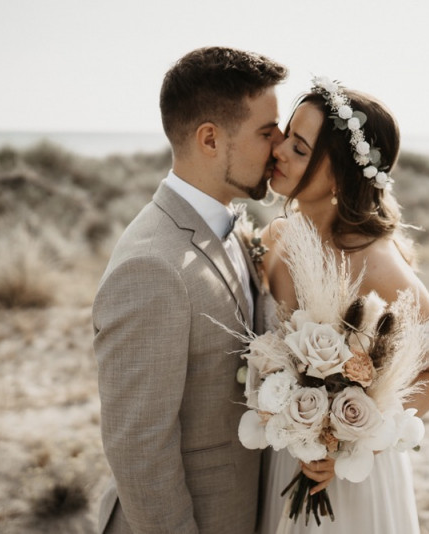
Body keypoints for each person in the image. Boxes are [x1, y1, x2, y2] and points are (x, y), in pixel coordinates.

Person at [92, 46, 287, 534]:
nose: (281, 145)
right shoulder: (151, 267)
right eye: (267, 131)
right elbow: (139, 448)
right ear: (209, 139)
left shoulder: (229, 224)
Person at [258, 79, 429, 533]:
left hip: (346, 482)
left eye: (301, 149)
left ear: (342, 176)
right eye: (287, 136)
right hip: (282, 457)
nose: (280, 151)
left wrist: (350, 442)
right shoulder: (276, 238)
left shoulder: (375, 261)